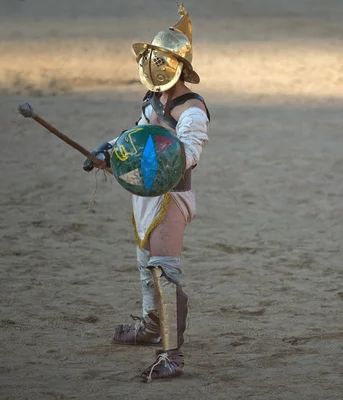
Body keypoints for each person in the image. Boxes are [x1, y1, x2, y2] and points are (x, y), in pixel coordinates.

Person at [83, 5, 210, 382]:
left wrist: (138, 157)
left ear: (177, 65)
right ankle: (152, 326)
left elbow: (188, 152)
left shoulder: (192, 109)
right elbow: (135, 135)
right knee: (145, 263)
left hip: (171, 196)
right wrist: (109, 152)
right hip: (146, 194)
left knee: (163, 270)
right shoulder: (155, 101)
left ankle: (171, 355)